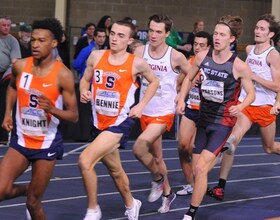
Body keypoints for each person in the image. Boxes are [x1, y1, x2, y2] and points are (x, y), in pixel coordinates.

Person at [176, 15, 255, 220]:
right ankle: (218, 152)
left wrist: (241, 106)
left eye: (222, 34)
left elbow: (251, 93)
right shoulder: (203, 56)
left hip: (223, 122)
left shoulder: (239, 66)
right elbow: (189, 78)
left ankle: (190, 214)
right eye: (216, 33)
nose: (217, 37)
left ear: (232, 39)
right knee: (197, 171)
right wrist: (181, 99)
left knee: (201, 168)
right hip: (204, 119)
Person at [78, 19, 159, 220]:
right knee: (116, 170)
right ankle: (132, 203)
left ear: (130, 40)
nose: (114, 38)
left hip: (119, 123)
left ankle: (93, 209)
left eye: (120, 36)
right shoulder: (96, 56)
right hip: (98, 122)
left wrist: (141, 105)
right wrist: (83, 91)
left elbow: (154, 81)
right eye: (112, 33)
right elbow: (85, 79)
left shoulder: (136, 63)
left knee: (85, 160)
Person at [0, 17, 78, 220]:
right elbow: (12, 88)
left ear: (54, 43)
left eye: (41, 40)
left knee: (34, 204)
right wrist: (8, 113)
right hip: (21, 141)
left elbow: (74, 116)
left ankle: (33, 193)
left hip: (46, 145)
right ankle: (29, 188)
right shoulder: (20, 66)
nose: (35, 44)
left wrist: (52, 109)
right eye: (33, 39)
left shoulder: (63, 75)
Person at [207, 13, 280, 202]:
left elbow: (277, 86)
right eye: (256, 27)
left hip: (265, 106)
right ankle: (219, 185)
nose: (257, 31)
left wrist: (252, 76)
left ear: (271, 34)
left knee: (270, 148)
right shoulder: (249, 49)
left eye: (262, 29)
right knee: (232, 140)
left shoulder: (273, 55)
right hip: (246, 102)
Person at [133, 14, 190, 213]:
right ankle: (167, 194)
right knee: (157, 158)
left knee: (139, 147)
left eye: (159, 31)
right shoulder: (140, 51)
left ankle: (157, 180)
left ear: (167, 34)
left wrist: (181, 93)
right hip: (145, 109)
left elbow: (191, 73)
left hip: (164, 111)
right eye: (151, 30)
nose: (154, 35)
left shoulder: (175, 55)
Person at [176, 31, 212, 196]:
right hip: (191, 108)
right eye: (195, 44)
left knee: (193, 148)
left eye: (201, 45)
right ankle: (191, 183)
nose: (197, 48)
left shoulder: (213, 63)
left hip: (206, 113)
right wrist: (180, 96)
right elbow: (180, 82)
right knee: (183, 147)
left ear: (209, 47)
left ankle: (200, 180)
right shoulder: (190, 61)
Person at [0, 15, 21, 143]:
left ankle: (3, 136)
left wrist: (7, 75)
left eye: (8, 25)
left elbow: (15, 61)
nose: (6, 28)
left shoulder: (13, 41)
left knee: (4, 105)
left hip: (5, 75)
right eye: (4, 25)